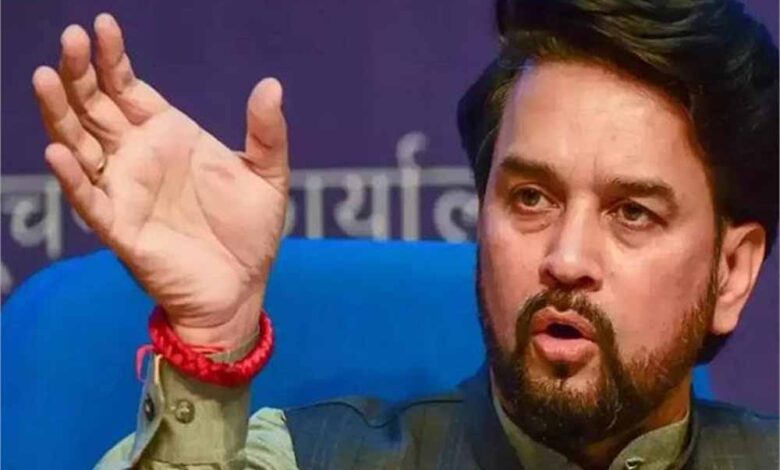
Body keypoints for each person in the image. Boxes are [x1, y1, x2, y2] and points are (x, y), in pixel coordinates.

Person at [31, 0, 778, 468]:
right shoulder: (308, 459)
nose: (567, 257)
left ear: (732, 272)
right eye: (530, 198)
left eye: (632, 213)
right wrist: (209, 344)